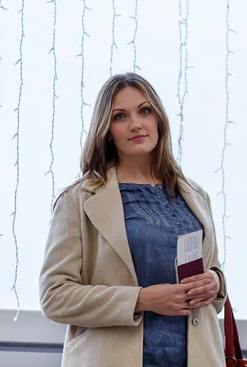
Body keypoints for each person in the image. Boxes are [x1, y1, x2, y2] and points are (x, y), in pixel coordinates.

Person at [39, 72, 227, 367]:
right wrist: (141, 300)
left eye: (144, 111)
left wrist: (215, 282)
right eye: (120, 116)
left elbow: (211, 276)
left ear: (158, 119)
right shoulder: (79, 199)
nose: (136, 123)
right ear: (107, 130)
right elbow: (55, 297)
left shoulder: (195, 195)